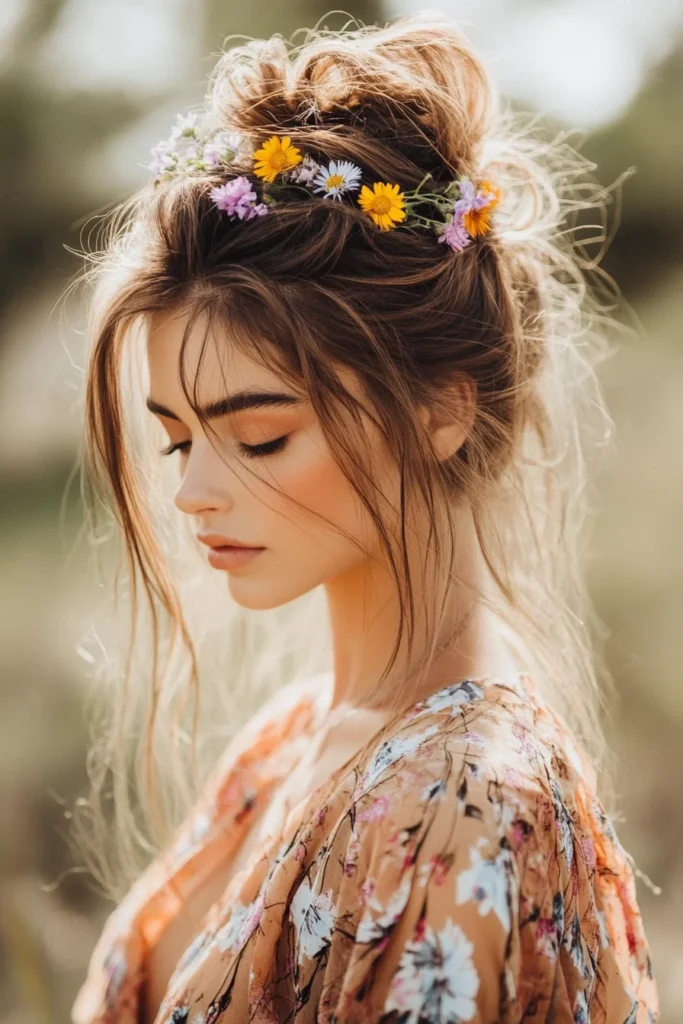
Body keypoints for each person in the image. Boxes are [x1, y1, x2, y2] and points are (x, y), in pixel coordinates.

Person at [69, 11, 660, 1024]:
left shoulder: (469, 812)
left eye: (257, 437)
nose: (192, 493)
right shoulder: (289, 739)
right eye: (175, 439)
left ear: (436, 411)